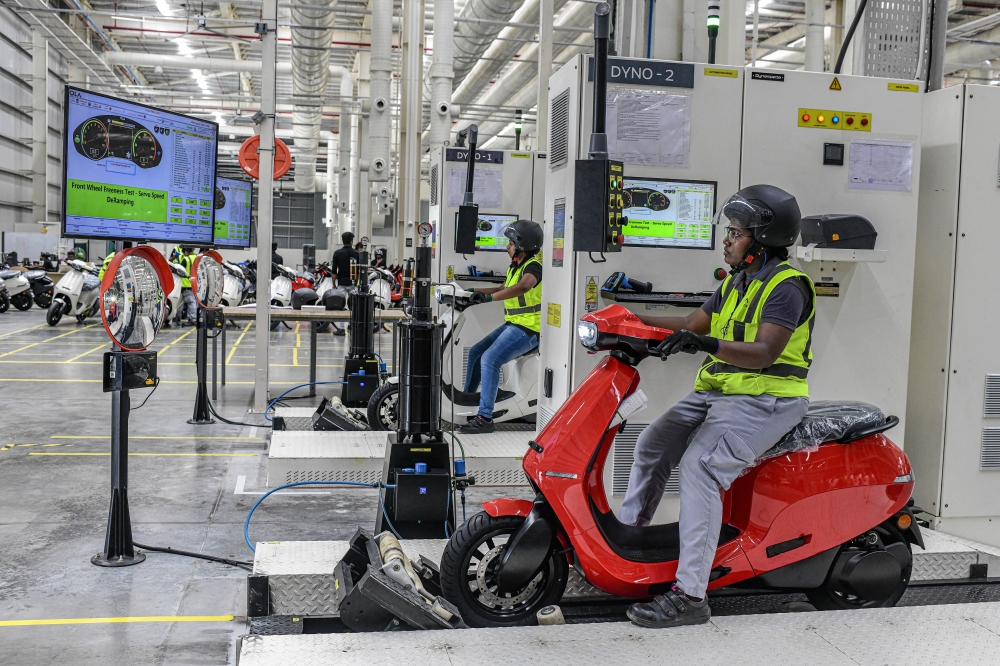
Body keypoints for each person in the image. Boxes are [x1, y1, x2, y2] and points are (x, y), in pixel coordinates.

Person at [618, 185, 816, 629]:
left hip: (766, 398)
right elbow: (691, 324)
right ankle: (629, 542)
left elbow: (764, 352)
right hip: (720, 392)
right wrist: (625, 318)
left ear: (762, 242)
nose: (726, 240)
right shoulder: (736, 282)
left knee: (700, 468)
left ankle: (690, 596)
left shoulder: (786, 287)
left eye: (736, 233)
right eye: (728, 231)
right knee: (652, 443)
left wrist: (702, 343)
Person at [457, 220, 544, 434]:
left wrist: (490, 299)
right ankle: (468, 400)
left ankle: (485, 417)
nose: (508, 246)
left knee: (490, 359)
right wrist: (471, 291)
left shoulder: (533, 267)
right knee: (477, 352)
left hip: (529, 330)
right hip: (515, 325)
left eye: (511, 242)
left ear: (522, 245)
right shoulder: (515, 266)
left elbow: (524, 287)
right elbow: (502, 287)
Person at [331, 232, 360, 336]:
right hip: (352, 283)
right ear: (351, 241)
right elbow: (358, 272)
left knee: (341, 306)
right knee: (353, 306)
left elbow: (334, 271)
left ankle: (341, 329)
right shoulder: (357, 254)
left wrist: (334, 284)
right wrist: (356, 284)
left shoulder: (337, 253)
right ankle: (352, 326)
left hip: (341, 283)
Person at [174, 247, 197, 327]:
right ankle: (179, 317)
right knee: (187, 302)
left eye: (184, 253)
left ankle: (192, 319)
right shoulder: (196, 257)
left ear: (186, 252)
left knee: (189, 302)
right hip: (194, 283)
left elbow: (180, 270)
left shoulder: (186, 259)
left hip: (186, 283)